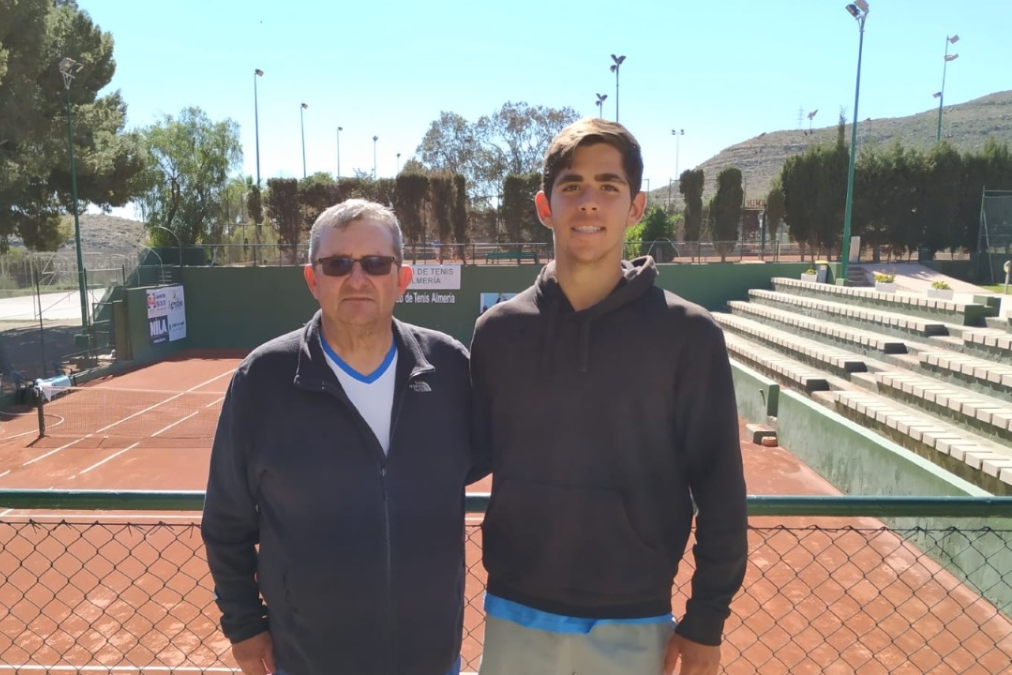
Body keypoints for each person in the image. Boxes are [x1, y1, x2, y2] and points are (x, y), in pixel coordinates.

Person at [470, 118, 748, 675]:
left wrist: (706, 618)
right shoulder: (498, 332)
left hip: (635, 620)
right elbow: (463, 455)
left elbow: (720, 486)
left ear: (636, 207)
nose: (589, 201)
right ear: (545, 207)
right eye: (571, 185)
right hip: (514, 613)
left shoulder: (689, 334)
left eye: (608, 185)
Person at [203, 199, 475, 675]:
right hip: (309, 659)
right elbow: (226, 521)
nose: (357, 278)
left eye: (375, 263)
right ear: (313, 279)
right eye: (337, 264)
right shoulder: (262, 379)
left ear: (402, 278)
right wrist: (243, 627)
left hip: (431, 657)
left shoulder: (449, 366)